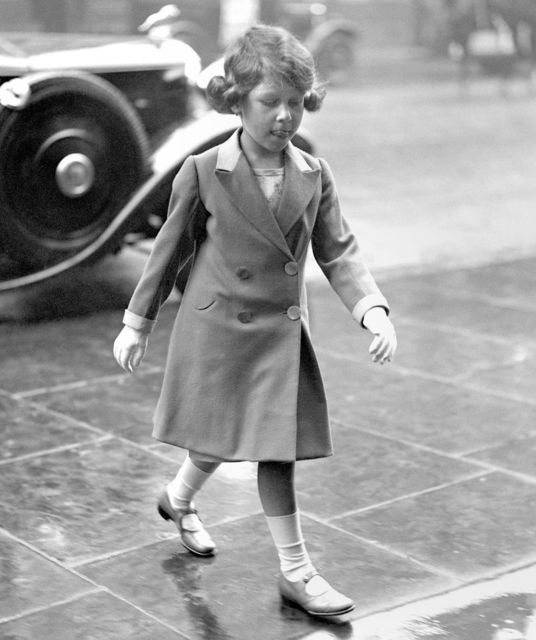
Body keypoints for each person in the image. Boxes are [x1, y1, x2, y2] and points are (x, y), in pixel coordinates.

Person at [113, 24, 397, 619]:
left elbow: (339, 252)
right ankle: (178, 498)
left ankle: (296, 571)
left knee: (274, 449)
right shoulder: (202, 170)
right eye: (270, 102)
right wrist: (136, 322)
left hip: (279, 334)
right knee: (218, 439)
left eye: (296, 102)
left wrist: (371, 308)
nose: (285, 117)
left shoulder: (314, 175)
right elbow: (167, 251)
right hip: (217, 330)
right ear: (237, 99)